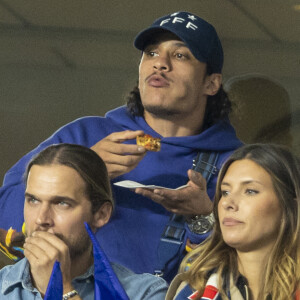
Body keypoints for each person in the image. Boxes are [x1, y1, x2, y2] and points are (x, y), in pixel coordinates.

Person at [0, 11, 242, 281]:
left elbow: (257, 266)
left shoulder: (236, 165)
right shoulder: (83, 135)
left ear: (211, 83)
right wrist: (84, 170)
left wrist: (204, 216)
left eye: (180, 55)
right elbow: (6, 220)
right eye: (151, 53)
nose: (160, 64)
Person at [0, 144, 168, 300]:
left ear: (101, 214)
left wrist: (63, 290)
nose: (41, 219)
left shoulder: (145, 292)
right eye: (33, 200)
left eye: (62, 203)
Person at [166, 143, 300, 300]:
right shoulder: (194, 289)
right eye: (225, 192)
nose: (227, 203)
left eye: (250, 191)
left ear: (291, 206)